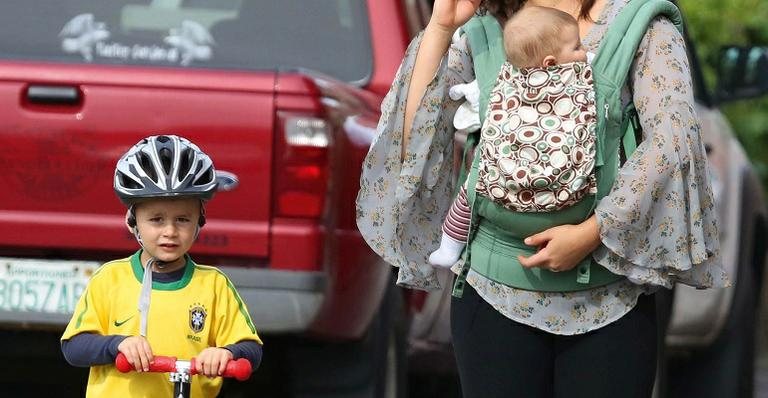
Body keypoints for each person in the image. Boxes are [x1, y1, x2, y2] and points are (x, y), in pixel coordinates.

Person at [356, 0, 729, 396]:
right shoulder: (485, 28)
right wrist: (441, 27)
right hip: (491, 296)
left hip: (608, 302)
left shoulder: (639, 23)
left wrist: (594, 232)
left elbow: (672, 142)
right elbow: (411, 143)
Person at [61, 135, 262, 398]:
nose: (170, 231)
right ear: (133, 221)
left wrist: (227, 352)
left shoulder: (214, 285)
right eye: (156, 219)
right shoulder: (109, 279)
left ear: (200, 220)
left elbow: (251, 349)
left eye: (182, 219)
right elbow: (74, 347)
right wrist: (118, 345)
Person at [429, 6, 591, 268]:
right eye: (577, 48)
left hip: (522, 163)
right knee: (471, 192)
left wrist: (467, 92)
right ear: (550, 63)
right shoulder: (569, 76)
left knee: (470, 194)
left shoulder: (512, 74)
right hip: (528, 158)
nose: (584, 53)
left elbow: (481, 93)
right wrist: (465, 90)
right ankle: (450, 244)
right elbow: (474, 94)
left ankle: (450, 243)